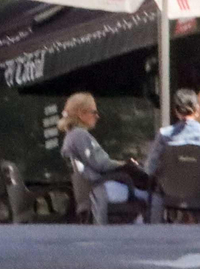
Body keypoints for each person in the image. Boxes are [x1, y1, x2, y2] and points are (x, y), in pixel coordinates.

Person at [144, 88, 200, 220]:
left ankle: (155, 229)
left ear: (176, 111)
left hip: (172, 193)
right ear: (197, 109)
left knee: (156, 195)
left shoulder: (164, 134)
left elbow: (149, 169)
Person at [59, 93, 145, 225]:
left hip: (93, 189)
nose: (97, 116)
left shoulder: (71, 136)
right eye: (94, 112)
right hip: (100, 189)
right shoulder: (80, 135)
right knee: (152, 195)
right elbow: (101, 164)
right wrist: (125, 164)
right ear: (81, 114)